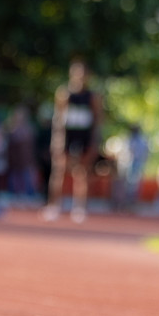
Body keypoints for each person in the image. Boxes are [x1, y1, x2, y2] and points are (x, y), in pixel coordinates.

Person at [45, 58, 102, 222]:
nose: (80, 77)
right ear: (71, 74)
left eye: (83, 74)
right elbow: (58, 119)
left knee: (82, 173)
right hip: (67, 136)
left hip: (84, 137)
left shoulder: (93, 97)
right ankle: (54, 205)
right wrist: (57, 140)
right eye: (77, 73)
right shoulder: (64, 94)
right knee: (59, 170)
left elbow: (97, 120)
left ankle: (79, 208)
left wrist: (94, 142)